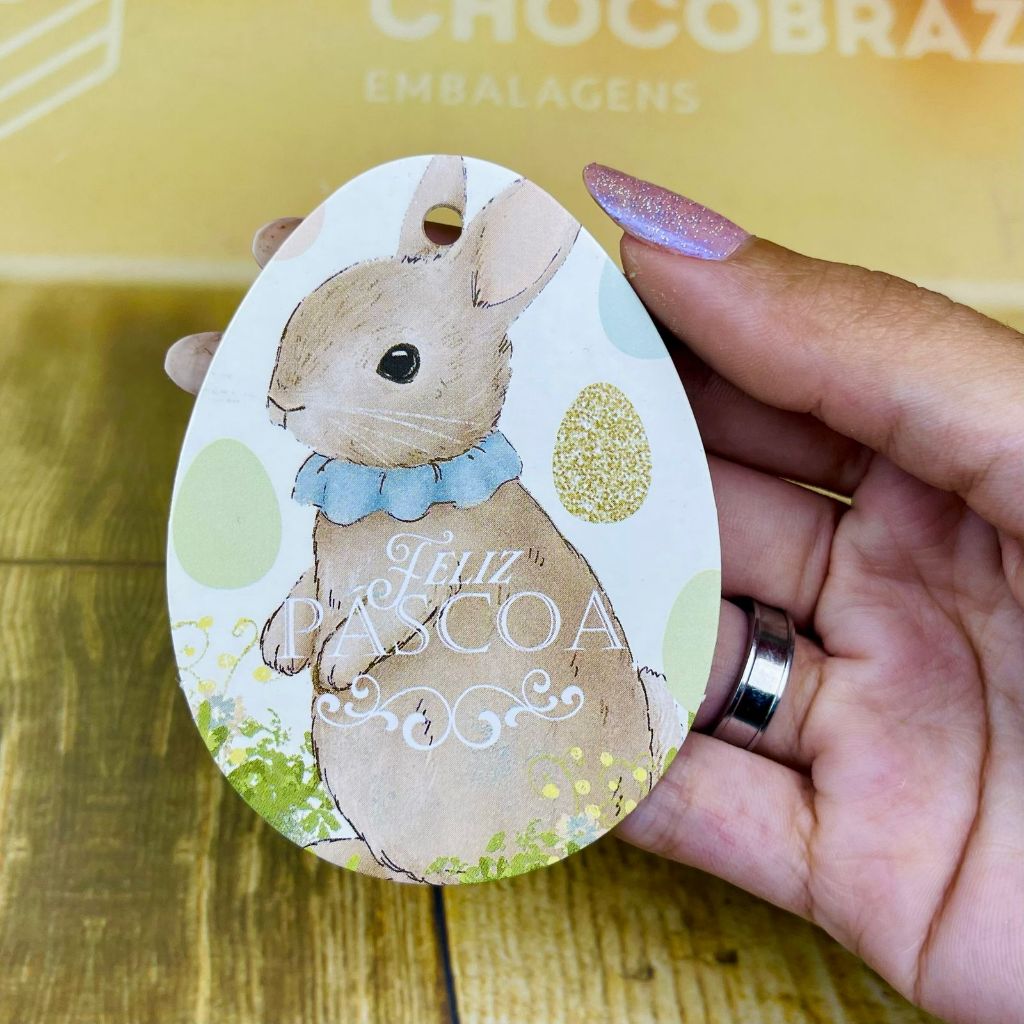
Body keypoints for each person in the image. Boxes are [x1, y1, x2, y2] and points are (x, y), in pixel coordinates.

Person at [165, 164, 1024, 1024]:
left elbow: (417, 594)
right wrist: (304, 610)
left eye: (394, 364)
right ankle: (391, 834)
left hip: (505, 754)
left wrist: (357, 638)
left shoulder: (482, 512)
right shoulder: (348, 497)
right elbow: (338, 574)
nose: (289, 403)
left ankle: (432, 834)